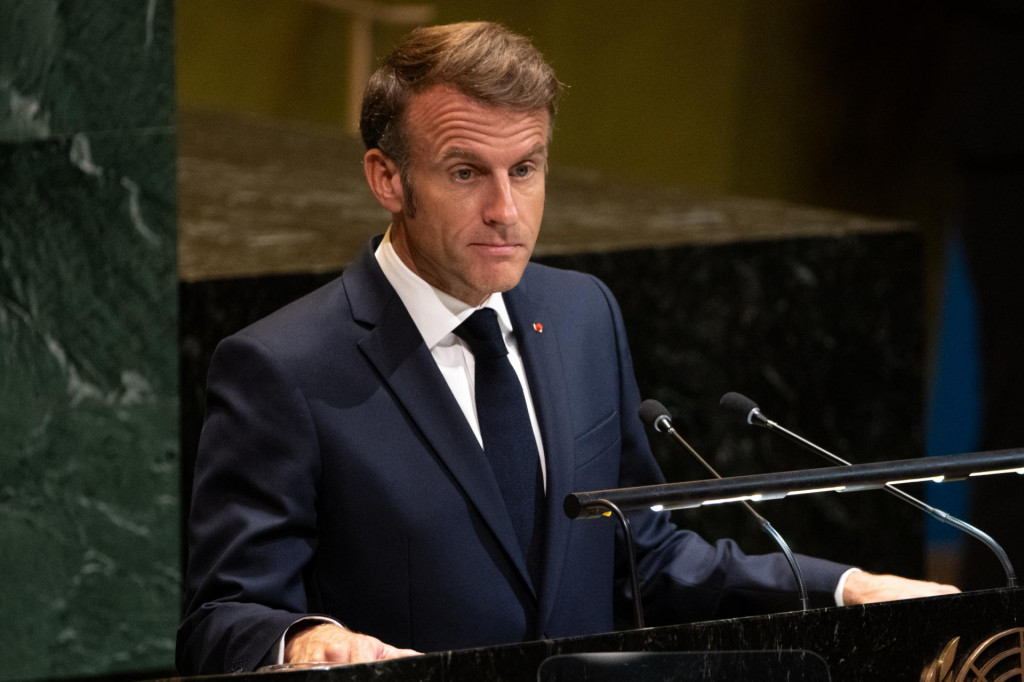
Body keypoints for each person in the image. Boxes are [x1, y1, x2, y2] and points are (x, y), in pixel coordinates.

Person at [176, 21, 958, 675]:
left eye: (525, 169)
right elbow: (223, 616)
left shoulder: (583, 314)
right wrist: (305, 642)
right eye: (465, 173)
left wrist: (847, 589)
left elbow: (642, 551)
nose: (505, 209)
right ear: (388, 179)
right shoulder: (284, 367)